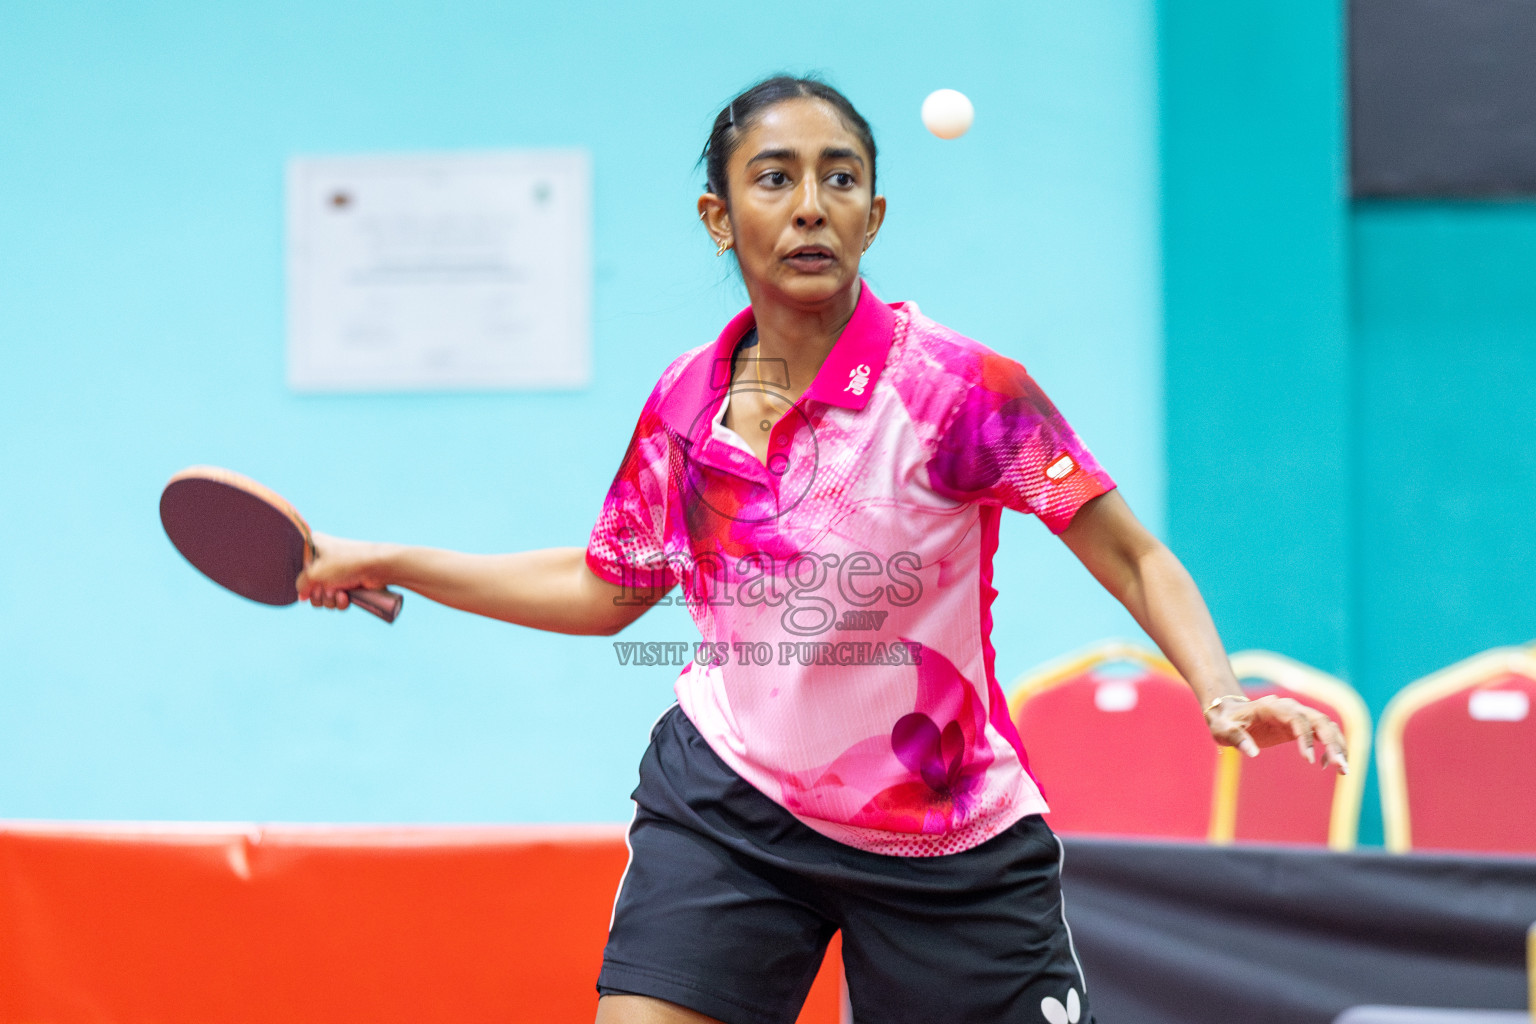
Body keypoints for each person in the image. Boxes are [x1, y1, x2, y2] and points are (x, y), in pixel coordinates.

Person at [298, 75, 1348, 1024]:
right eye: (775, 178)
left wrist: (1216, 689)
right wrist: (394, 559)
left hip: (950, 837)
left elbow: (1130, 555)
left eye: (839, 178)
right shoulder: (686, 404)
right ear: (720, 217)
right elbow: (607, 586)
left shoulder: (959, 393)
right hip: (733, 804)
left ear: (873, 214)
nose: (810, 204)